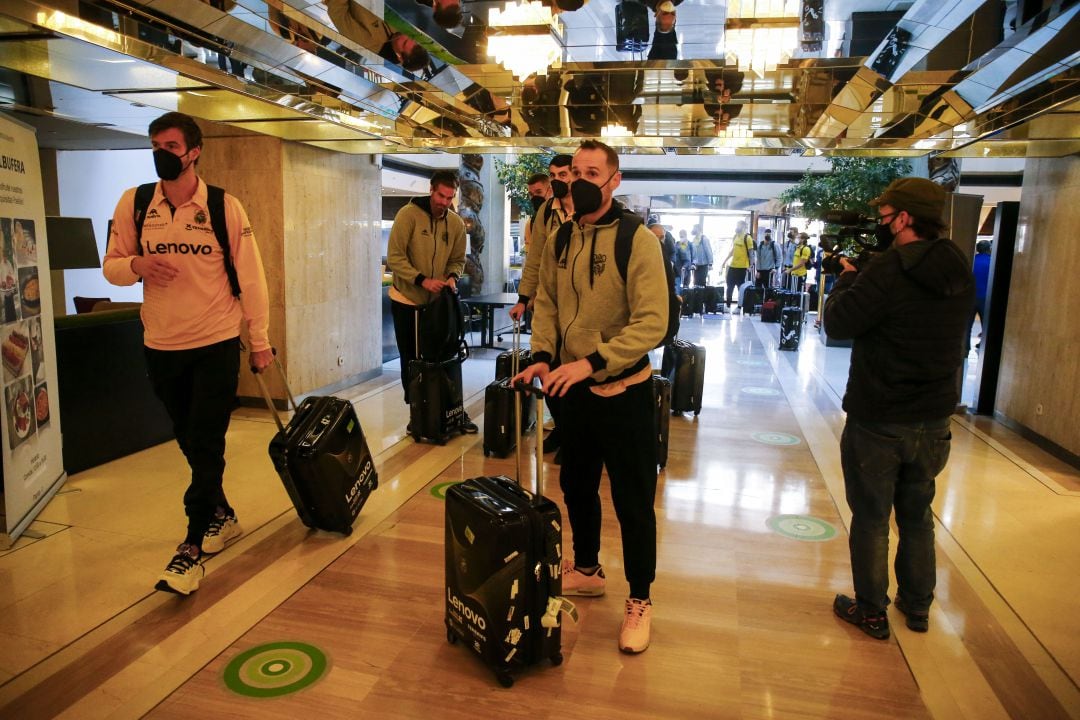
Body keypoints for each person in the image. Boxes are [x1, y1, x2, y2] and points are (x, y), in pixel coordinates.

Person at [103, 111, 273, 596]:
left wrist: (258, 341)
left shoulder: (224, 207)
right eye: (156, 144)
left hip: (215, 342)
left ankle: (191, 548)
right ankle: (222, 514)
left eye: (171, 146)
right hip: (161, 344)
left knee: (206, 440)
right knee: (190, 440)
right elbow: (112, 268)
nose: (162, 153)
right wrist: (137, 264)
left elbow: (252, 280)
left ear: (194, 151)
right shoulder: (135, 203)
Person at [513, 140, 667, 654]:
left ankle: (640, 598)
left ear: (613, 180)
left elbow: (652, 323)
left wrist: (592, 362)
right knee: (577, 485)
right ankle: (587, 568)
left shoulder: (637, 240)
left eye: (591, 172)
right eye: (574, 171)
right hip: (572, 391)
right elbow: (550, 304)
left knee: (632, 501)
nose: (578, 180)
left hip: (623, 391)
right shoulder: (559, 236)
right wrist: (542, 353)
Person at [823, 177, 974, 640]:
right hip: (933, 419)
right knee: (917, 514)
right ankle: (918, 604)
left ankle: (871, 611)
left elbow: (839, 322)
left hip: (880, 416)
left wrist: (849, 279)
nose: (881, 224)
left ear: (904, 218)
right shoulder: (957, 267)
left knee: (871, 518)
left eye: (886, 215)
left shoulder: (888, 271)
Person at [386, 170, 478, 434]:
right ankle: (418, 411)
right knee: (413, 360)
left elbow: (458, 260)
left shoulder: (455, 224)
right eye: (441, 195)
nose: (444, 202)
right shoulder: (408, 215)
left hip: (439, 304)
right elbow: (394, 257)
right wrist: (421, 280)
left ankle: (447, 409)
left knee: (445, 356)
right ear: (431, 190)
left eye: (450, 198)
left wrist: (451, 277)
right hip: (408, 301)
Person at [510, 155, 574, 456]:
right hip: (549, 305)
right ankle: (562, 426)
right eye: (554, 174)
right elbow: (534, 260)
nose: (559, 179)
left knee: (573, 370)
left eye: (564, 173)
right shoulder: (546, 214)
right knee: (547, 366)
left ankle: (573, 433)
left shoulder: (588, 212)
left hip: (580, 310)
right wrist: (524, 298)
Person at [326, 0, 430, 72]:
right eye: (414, 39)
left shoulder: (366, 42)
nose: (405, 35)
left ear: (400, 57)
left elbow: (337, 12)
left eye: (404, 42)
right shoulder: (407, 25)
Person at [720, 221, 754, 309]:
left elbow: (751, 253)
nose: (737, 227)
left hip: (742, 267)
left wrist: (751, 265)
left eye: (739, 225)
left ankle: (739, 307)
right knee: (729, 286)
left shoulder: (747, 238)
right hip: (732, 266)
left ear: (744, 227)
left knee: (740, 288)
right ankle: (727, 305)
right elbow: (732, 251)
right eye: (737, 225)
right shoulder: (735, 236)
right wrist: (724, 261)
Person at [970, 240, 991, 351]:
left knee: (967, 326)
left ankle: (964, 349)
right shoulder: (992, 262)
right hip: (986, 299)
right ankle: (983, 346)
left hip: (970, 298)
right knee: (986, 325)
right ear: (988, 249)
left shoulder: (972, 261)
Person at [672, 230, 692, 295]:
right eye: (680, 236)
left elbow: (687, 258)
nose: (681, 237)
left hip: (682, 272)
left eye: (682, 236)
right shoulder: (678, 245)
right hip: (679, 272)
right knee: (680, 290)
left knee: (682, 291)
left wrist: (684, 267)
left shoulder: (685, 245)